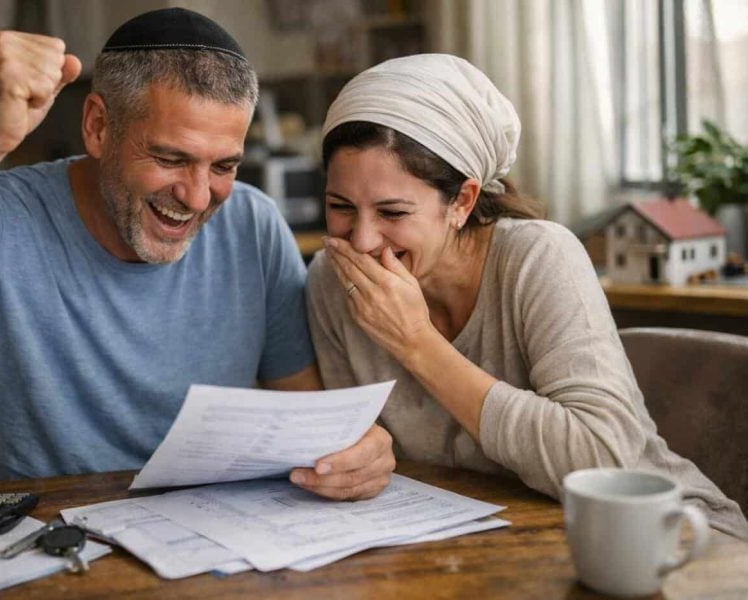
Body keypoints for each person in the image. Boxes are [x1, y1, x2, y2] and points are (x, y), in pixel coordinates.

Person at [0, 8, 393, 499]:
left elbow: (301, 416)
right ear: (98, 126)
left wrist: (352, 453)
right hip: (29, 550)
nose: (198, 197)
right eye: (170, 157)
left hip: (204, 548)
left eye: (224, 166)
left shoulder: (251, 224)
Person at [306, 54, 748, 538]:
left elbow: (602, 457)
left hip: (662, 535)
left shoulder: (539, 257)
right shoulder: (332, 278)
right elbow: (361, 450)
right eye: (340, 206)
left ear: (462, 202)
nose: (363, 239)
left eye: (392, 212)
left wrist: (417, 343)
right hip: (487, 542)